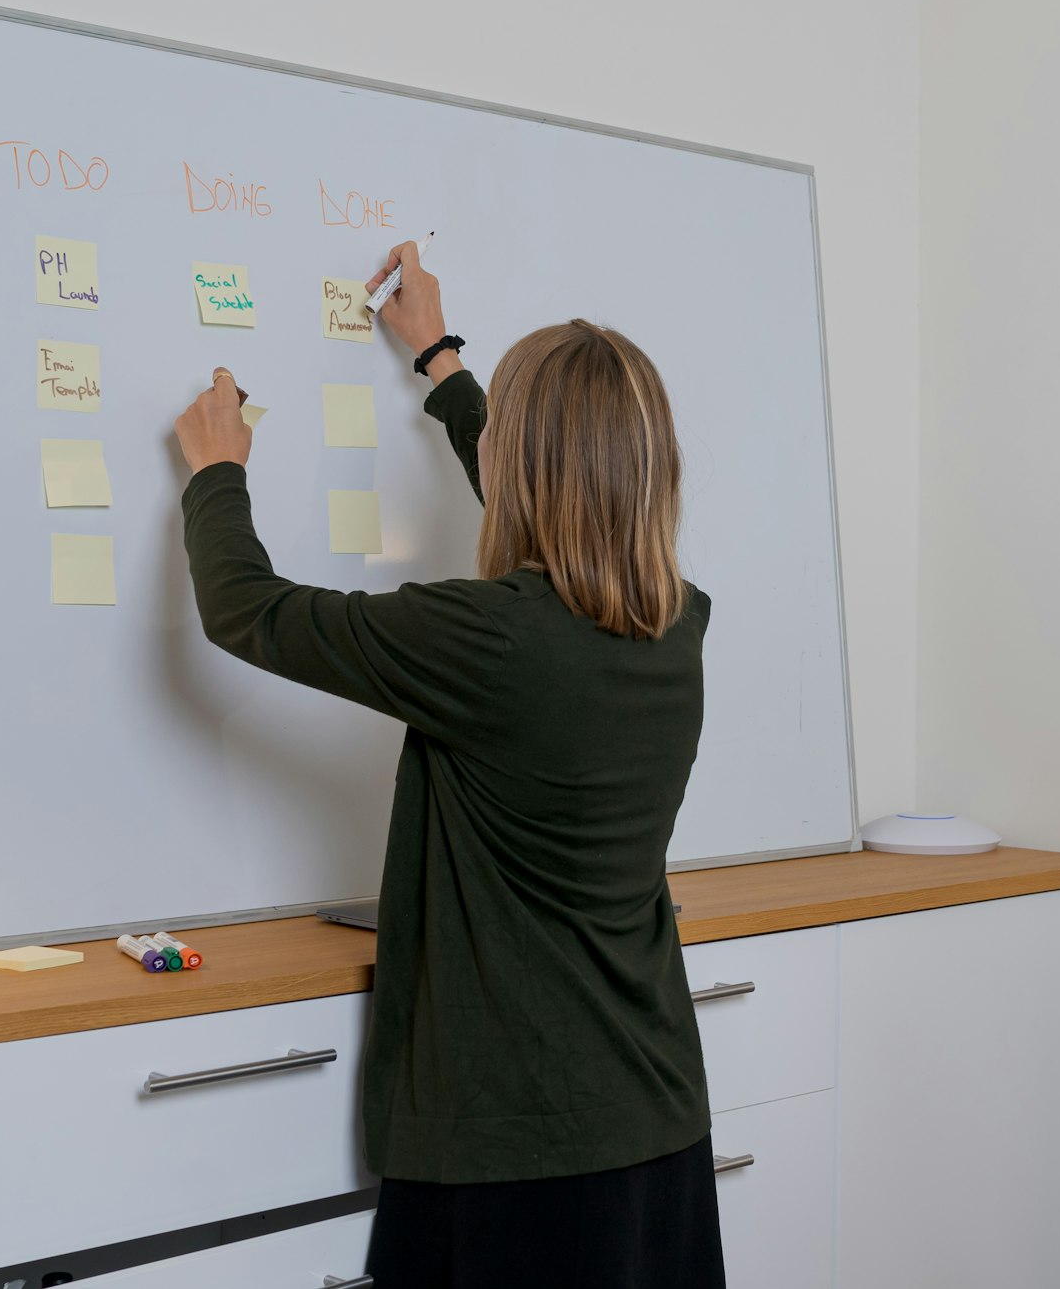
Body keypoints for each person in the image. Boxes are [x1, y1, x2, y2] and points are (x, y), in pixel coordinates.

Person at [172, 241, 725, 1288]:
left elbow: (249, 612)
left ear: (519, 461)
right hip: (655, 1114)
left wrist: (217, 473)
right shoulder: (673, 619)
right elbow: (555, 496)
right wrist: (439, 358)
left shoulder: (488, 639)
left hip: (517, 1146)